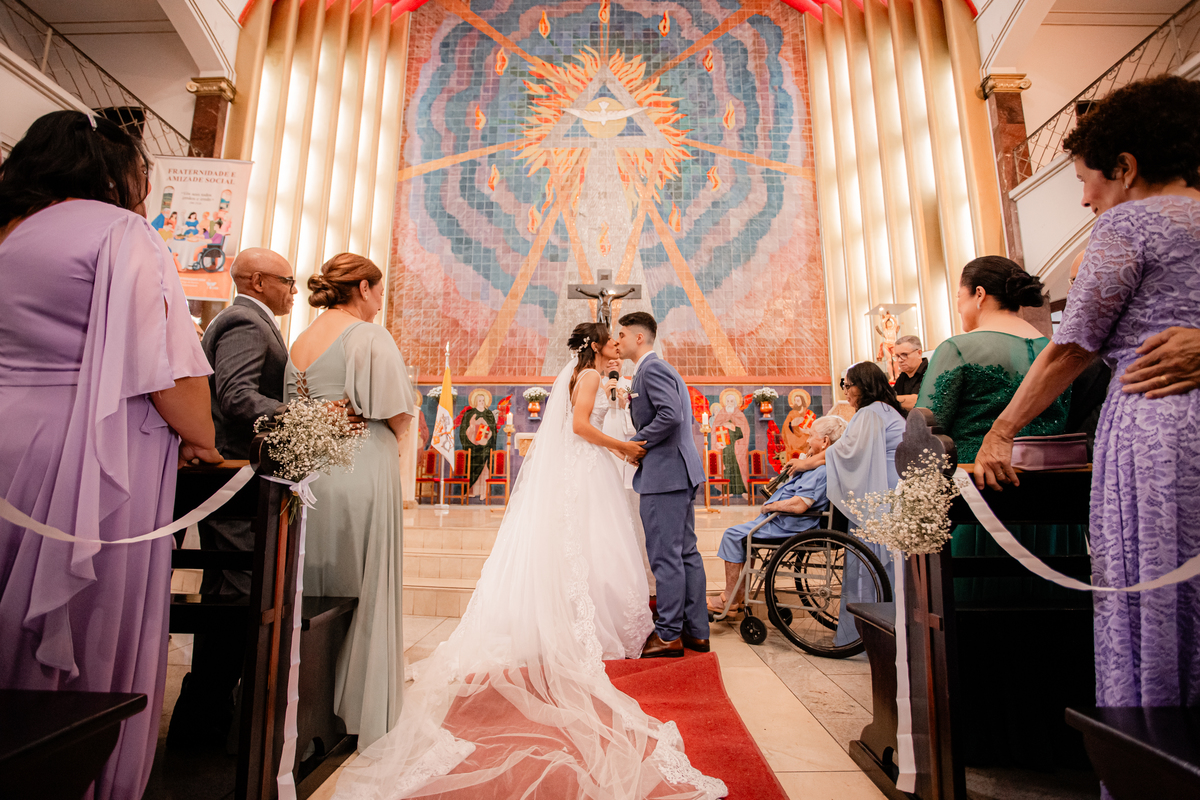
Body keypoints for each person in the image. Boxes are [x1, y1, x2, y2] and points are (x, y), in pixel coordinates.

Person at [329, 324, 727, 800]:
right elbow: (580, 427)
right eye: (611, 341)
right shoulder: (590, 377)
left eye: (621, 339)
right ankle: (612, 623)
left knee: (598, 547)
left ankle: (627, 620)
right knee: (598, 545)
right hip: (593, 467)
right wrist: (623, 446)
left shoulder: (595, 376)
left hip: (595, 468)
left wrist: (621, 417)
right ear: (597, 347)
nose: (617, 346)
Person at [0, 110, 218, 800]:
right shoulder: (123, 233)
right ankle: (87, 779)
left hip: (10, 438)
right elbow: (167, 368)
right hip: (93, 447)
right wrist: (203, 438)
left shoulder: (12, 234)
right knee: (91, 612)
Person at [974, 76, 1200, 735]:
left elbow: (1071, 348)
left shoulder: (1129, 223)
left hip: (1160, 430)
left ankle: (1158, 752)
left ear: (1125, 167)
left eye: (1086, 179)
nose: (1082, 198)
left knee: (1157, 594)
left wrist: (1002, 431)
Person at [168, 248, 298, 748]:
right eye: (287, 280)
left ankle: (205, 719)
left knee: (232, 592)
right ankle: (203, 718)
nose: (293, 290)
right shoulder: (245, 321)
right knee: (238, 593)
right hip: (232, 477)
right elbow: (237, 396)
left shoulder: (250, 320)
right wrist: (301, 417)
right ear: (259, 280)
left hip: (237, 478)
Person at [287, 253, 417, 750]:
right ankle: (361, 708)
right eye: (379, 291)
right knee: (365, 585)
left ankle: (311, 706)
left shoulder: (301, 341)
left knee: (319, 585)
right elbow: (398, 414)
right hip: (362, 468)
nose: (381, 301)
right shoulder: (368, 337)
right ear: (363, 287)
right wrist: (393, 441)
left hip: (312, 476)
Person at [617, 311, 711, 658]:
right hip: (678, 472)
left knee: (665, 555)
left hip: (665, 476)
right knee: (686, 553)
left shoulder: (651, 370)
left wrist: (637, 444)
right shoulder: (662, 368)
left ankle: (669, 634)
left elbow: (671, 415)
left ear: (639, 337)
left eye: (622, 334)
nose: (618, 341)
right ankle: (696, 631)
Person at [916, 257, 1068, 463]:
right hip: (1050, 471)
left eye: (959, 296)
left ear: (979, 293)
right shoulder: (1053, 349)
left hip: (978, 473)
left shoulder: (957, 349)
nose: (958, 307)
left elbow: (925, 431)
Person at [708, 415, 847, 615]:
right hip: (786, 522)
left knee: (732, 535)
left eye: (811, 436)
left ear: (825, 441)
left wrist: (771, 506)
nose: (807, 440)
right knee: (743, 539)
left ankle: (728, 598)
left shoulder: (820, 471)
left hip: (791, 524)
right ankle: (738, 595)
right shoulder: (814, 466)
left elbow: (799, 505)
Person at [824, 362, 906, 646]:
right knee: (886, 564)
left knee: (868, 565)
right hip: (891, 491)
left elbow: (845, 453)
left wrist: (808, 463)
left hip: (877, 492)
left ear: (864, 385)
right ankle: (887, 632)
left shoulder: (869, 413)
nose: (846, 391)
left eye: (848, 385)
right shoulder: (887, 410)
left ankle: (867, 636)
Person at [602, 357, 656, 598]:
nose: (613, 362)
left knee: (634, 524)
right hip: (603, 460)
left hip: (629, 463)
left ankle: (639, 582)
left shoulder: (632, 386)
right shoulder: (594, 385)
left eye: (617, 359)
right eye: (609, 359)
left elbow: (638, 428)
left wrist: (626, 406)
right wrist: (604, 396)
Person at [891, 335, 927, 412]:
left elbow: (917, 401)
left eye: (904, 355)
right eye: (897, 356)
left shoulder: (929, 372)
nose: (900, 360)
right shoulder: (903, 376)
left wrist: (886, 399)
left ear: (919, 353)